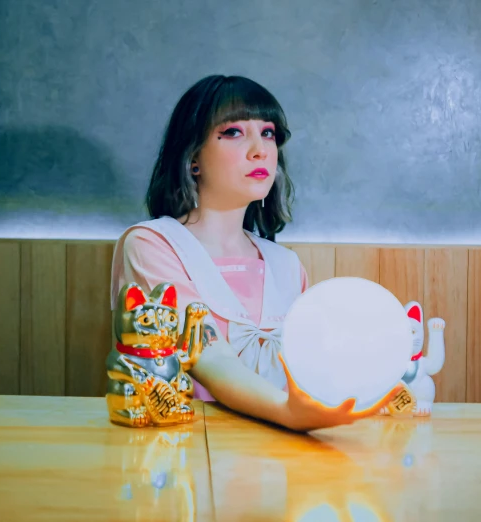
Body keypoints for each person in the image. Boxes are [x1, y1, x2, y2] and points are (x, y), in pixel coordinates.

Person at [110, 75, 392, 432]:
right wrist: (288, 412)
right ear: (192, 156)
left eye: (268, 133)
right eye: (233, 132)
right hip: (184, 455)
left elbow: (313, 368)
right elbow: (209, 357)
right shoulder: (152, 244)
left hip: (281, 459)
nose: (260, 149)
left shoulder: (286, 265)